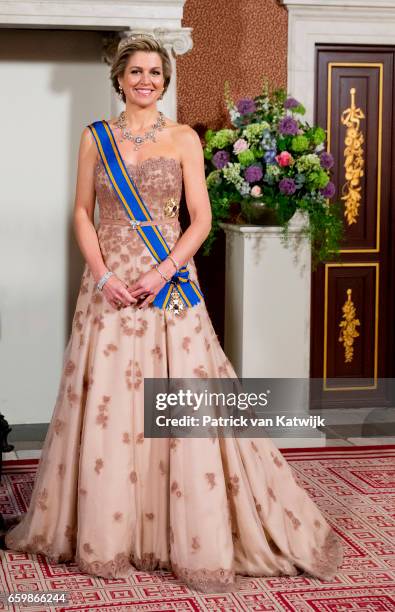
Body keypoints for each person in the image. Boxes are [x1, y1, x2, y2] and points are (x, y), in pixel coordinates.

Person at [5, 34, 343, 593]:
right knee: (110, 404)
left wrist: (162, 273)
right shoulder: (95, 138)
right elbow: (82, 214)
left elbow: (201, 220)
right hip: (109, 286)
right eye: (135, 71)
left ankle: (183, 533)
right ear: (119, 78)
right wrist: (107, 277)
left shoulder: (185, 138)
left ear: (165, 80)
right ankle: (109, 533)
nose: (146, 80)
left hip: (168, 284)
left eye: (155, 72)